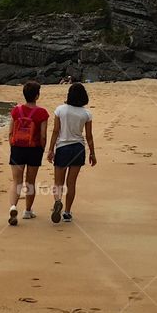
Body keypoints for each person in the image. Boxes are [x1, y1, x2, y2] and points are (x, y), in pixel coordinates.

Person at [47, 83, 96, 223]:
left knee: (58, 182)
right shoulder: (86, 113)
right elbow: (89, 136)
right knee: (71, 183)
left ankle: (57, 201)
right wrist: (92, 153)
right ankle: (67, 212)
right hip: (78, 149)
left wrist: (51, 149)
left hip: (63, 148)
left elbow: (56, 131)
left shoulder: (60, 110)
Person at [7, 81, 50, 226]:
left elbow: (10, 132)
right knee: (30, 182)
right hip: (34, 148)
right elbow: (43, 136)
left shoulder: (16, 111)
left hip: (17, 148)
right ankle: (27, 211)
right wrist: (43, 149)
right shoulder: (42, 113)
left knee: (16, 181)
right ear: (37, 95)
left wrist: (13, 145)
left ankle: (13, 206)